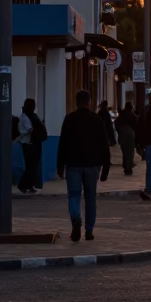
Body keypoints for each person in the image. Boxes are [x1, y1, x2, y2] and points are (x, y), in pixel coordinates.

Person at [57, 90, 111, 243]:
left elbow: (63, 144)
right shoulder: (97, 120)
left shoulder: (69, 119)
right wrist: (106, 167)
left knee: (74, 195)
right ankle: (89, 230)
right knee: (90, 197)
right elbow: (104, 145)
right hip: (93, 165)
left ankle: (75, 219)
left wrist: (60, 166)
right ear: (89, 102)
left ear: (76, 102)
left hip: (73, 164)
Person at [17, 98, 47, 194]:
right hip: (29, 144)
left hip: (35, 143)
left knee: (33, 166)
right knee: (30, 166)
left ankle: (29, 185)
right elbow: (30, 130)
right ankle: (23, 185)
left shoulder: (33, 116)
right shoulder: (25, 117)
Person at [115, 101, 138, 175]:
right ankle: (129, 167)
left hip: (122, 134)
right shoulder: (132, 115)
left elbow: (117, 125)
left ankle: (126, 166)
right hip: (130, 134)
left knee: (124, 151)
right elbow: (136, 125)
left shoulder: (121, 115)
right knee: (130, 151)